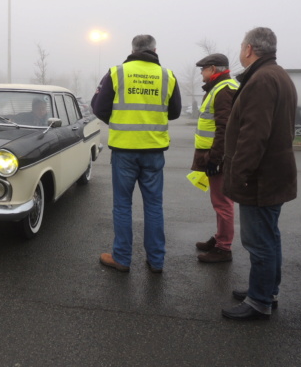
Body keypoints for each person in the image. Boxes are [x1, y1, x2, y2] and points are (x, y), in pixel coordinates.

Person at [221, 27, 297, 321]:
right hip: (272, 175)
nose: (240, 51)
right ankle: (267, 289)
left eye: (241, 46)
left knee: (259, 242)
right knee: (269, 237)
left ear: (249, 49)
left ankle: (260, 301)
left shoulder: (262, 80)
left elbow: (254, 136)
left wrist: (239, 175)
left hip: (260, 179)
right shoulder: (277, 74)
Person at [92, 34, 181, 274]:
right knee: (154, 206)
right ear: (154, 49)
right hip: (153, 150)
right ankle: (156, 260)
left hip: (124, 150)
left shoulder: (117, 72)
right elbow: (174, 113)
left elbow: (99, 108)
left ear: (132, 49)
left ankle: (121, 258)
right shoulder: (167, 75)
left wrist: (120, 120)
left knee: (122, 205)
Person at [192, 53, 238, 263]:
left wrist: (215, 158)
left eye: (203, 69)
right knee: (218, 200)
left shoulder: (224, 89)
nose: (201, 73)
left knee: (222, 202)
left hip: (216, 155)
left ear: (212, 69)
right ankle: (220, 238)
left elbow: (225, 127)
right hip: (213, 153)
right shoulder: (221, 87)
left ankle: (223, 248)